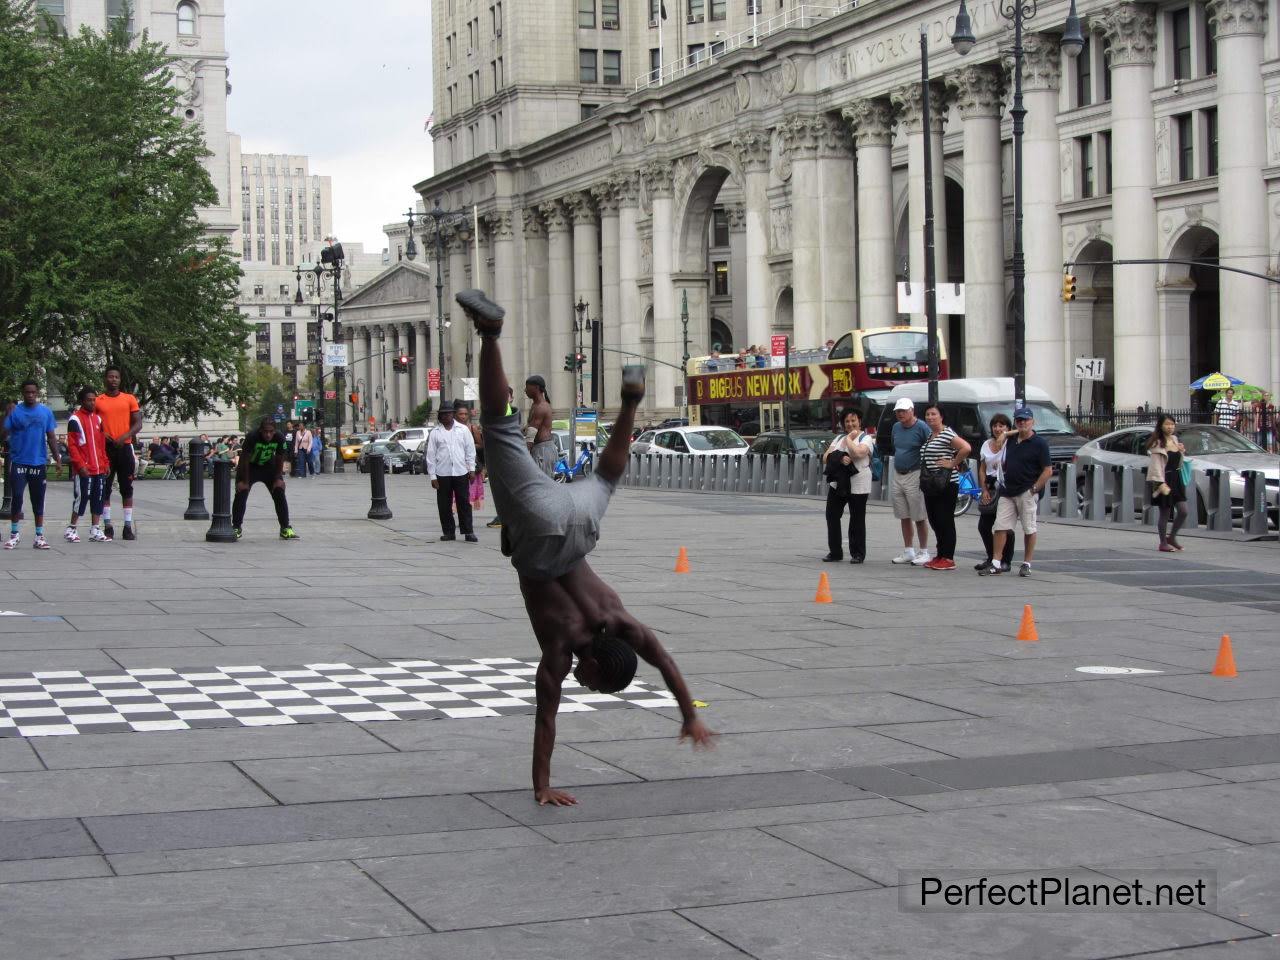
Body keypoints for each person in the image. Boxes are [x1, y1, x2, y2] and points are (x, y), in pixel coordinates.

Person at [456, 287, 713, 806]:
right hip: (542, 531)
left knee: (609, 475)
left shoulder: (621, 623)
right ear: (597, 663)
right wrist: (541, 785)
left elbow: (663, 660)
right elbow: (545, 718)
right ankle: (490, 334)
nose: (583, 683)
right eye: (592, 682)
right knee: (499, 423)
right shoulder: (560, 647)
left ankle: (632, 404)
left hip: (578, 522)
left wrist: (690, 712)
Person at [981, 406, 1052, 578]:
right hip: (1007, 491)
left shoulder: (1039, 444)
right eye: (1019, 420)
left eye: (1026, 420)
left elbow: (1047, 470)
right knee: (1000, 527)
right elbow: (1002, 440)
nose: (1022, 423)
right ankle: (996, 562)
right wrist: (1006, 434)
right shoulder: (1010, 439)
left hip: (1026, 491)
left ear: (1032, 421)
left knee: (1028, 528)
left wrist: (1035, 488)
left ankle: (1027, 563)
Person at [2, 380, 61, 550]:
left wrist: (57, 458)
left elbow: (50, 436)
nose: (30, 395)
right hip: (19, 461)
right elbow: (3, 434)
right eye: (27, 392)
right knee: (17, 497)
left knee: (38, 500)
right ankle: (14, 535)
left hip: (38, 462)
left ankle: (39, 536)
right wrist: (7, 415)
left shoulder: (45, 412)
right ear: (23, 393)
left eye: (33, 392)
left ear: (37, 393)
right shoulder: (15, 411)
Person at [919, 404, 972, 571]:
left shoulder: (947, 433)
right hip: (932, 484)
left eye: (934, 414)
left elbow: (966, 447)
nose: (930, 417)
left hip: (947, 483)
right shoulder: (930, 435)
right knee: (934, 519)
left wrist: (952, 463)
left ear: (941, 417)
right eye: (927, 414)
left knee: (945, 519)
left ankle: (948, 557)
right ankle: (940, 554)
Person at [232, 418, 298, 540]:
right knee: (242, 492)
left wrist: (278, 478)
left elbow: (280, 457)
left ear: (274, 431)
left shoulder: (279, 437)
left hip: (268, 466)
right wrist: (244, 481)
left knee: (279, 491)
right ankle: (236, 527)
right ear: (260, 430)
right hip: (250, 467)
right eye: (265, 431)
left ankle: (285, 528)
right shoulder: (252, 437)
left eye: (271, 431)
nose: (268, 434)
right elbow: (244, 459)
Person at [821, 410, 874, 563]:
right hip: (838, 481)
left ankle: (858, 553)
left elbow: (858, 453)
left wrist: (850, 439)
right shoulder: (838, 438)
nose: (850, 424)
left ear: (860, 421)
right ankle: (835, 551)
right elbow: (826, 457)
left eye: (853, 421)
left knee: (857, 518)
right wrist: (840, 457)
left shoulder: (866, 438)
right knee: (832, 515)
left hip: (859, 482)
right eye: (847, 422)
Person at [96, 366, 142, 540]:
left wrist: (125, 436)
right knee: (105, 488)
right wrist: (103, 434)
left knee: (126, 488)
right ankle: (107, 525)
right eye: (110, 376)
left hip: (124, 447)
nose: (113, 379)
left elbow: (138, 423)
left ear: (120, 380)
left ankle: (128, 526)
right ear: (105, 379)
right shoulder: (99, 400)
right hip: (105, 448)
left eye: (116, 377)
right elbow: (93, 423)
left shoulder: (129, 399)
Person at [425, 401, 477, 542]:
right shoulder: (435, 433)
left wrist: (471, 469)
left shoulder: (463, 429)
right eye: (444, 414)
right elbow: (430, 455)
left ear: (453, 414)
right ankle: (448, 532)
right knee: (444, 504)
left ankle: (468, 531)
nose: (447, 416)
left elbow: (470, 450)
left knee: (464, 502)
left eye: (449, 413)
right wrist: (433, 476)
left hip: (460, 471)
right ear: (440, 416)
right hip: (443, 473)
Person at [889, 397, 932, 566]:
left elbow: (930, 444)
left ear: (912, 410)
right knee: (903, 515)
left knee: (919, 515)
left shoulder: (921, 427)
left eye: (903, 411)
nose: (900, 414)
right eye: (898, 411)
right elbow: (895, 446)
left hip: (915, 473)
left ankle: (924, 550)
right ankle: (908, 550)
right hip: (898, 473)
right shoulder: (896, 427)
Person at [65, 387, 111, 543]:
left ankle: (95, 529)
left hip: (98, 468)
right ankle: (71, 528)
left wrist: (105, 463)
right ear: (82, 401)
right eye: (89, 400)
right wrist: (80, 465)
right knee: (82, 497)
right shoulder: (75, 419)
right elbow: (72, 446)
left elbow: (101, 445)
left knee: (98, 497)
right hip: (84, 469)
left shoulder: (98, 419)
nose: (92, 402)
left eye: (94, 400)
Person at [976, 413, 1017, 571]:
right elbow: (982, 469)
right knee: (984, 526)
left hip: (1006, 488)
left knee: (1004, 526)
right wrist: (984, 489)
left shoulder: (1012, 442)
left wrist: (1006, 435)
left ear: (1007, 428)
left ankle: (1006, 560)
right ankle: (992, 557)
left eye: (1002, 426)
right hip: (991, 487)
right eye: (995, 426)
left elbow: (1024, 430)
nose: (997, 429)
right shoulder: (986, 444)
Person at [1146, 413, 1188, 553]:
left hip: (1177, 478)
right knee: (1165, 512)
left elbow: (1178, 460)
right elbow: (1156, 465)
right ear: (1161, 426)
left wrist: (1181, 451)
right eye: (1167, 424)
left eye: (1172, 424)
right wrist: (1160, 483)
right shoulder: (1158, 442)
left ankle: (1172, 537)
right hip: (1164, 479)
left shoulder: (1175, 439)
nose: (1170, 427)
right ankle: (1163, 542)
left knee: (1183, 511)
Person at [487, 386, 515, 528]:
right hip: (503, 452)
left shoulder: (505, 409)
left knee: (503, 487)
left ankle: (504, 517)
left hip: (503, 453)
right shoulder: (507, 410)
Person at [456, 404, 486, 510]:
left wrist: (469, 446)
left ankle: (466, 516)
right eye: (460, 414)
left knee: (468, 494)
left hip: (470, 465)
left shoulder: (473, 428)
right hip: (456, 465)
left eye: (465, 414)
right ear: (456, 415)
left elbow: (480, 445)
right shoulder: (453, 429)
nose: (463, 416)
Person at [525, 375, 556, 475]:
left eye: (527, 387)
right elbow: (529, 427)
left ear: (536, 388)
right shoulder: (535, 405)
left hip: (542, 451)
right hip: (540, 450)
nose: (525, 390)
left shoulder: (541, 407)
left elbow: (531, 433)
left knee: (542, 487)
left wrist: (523, 455)